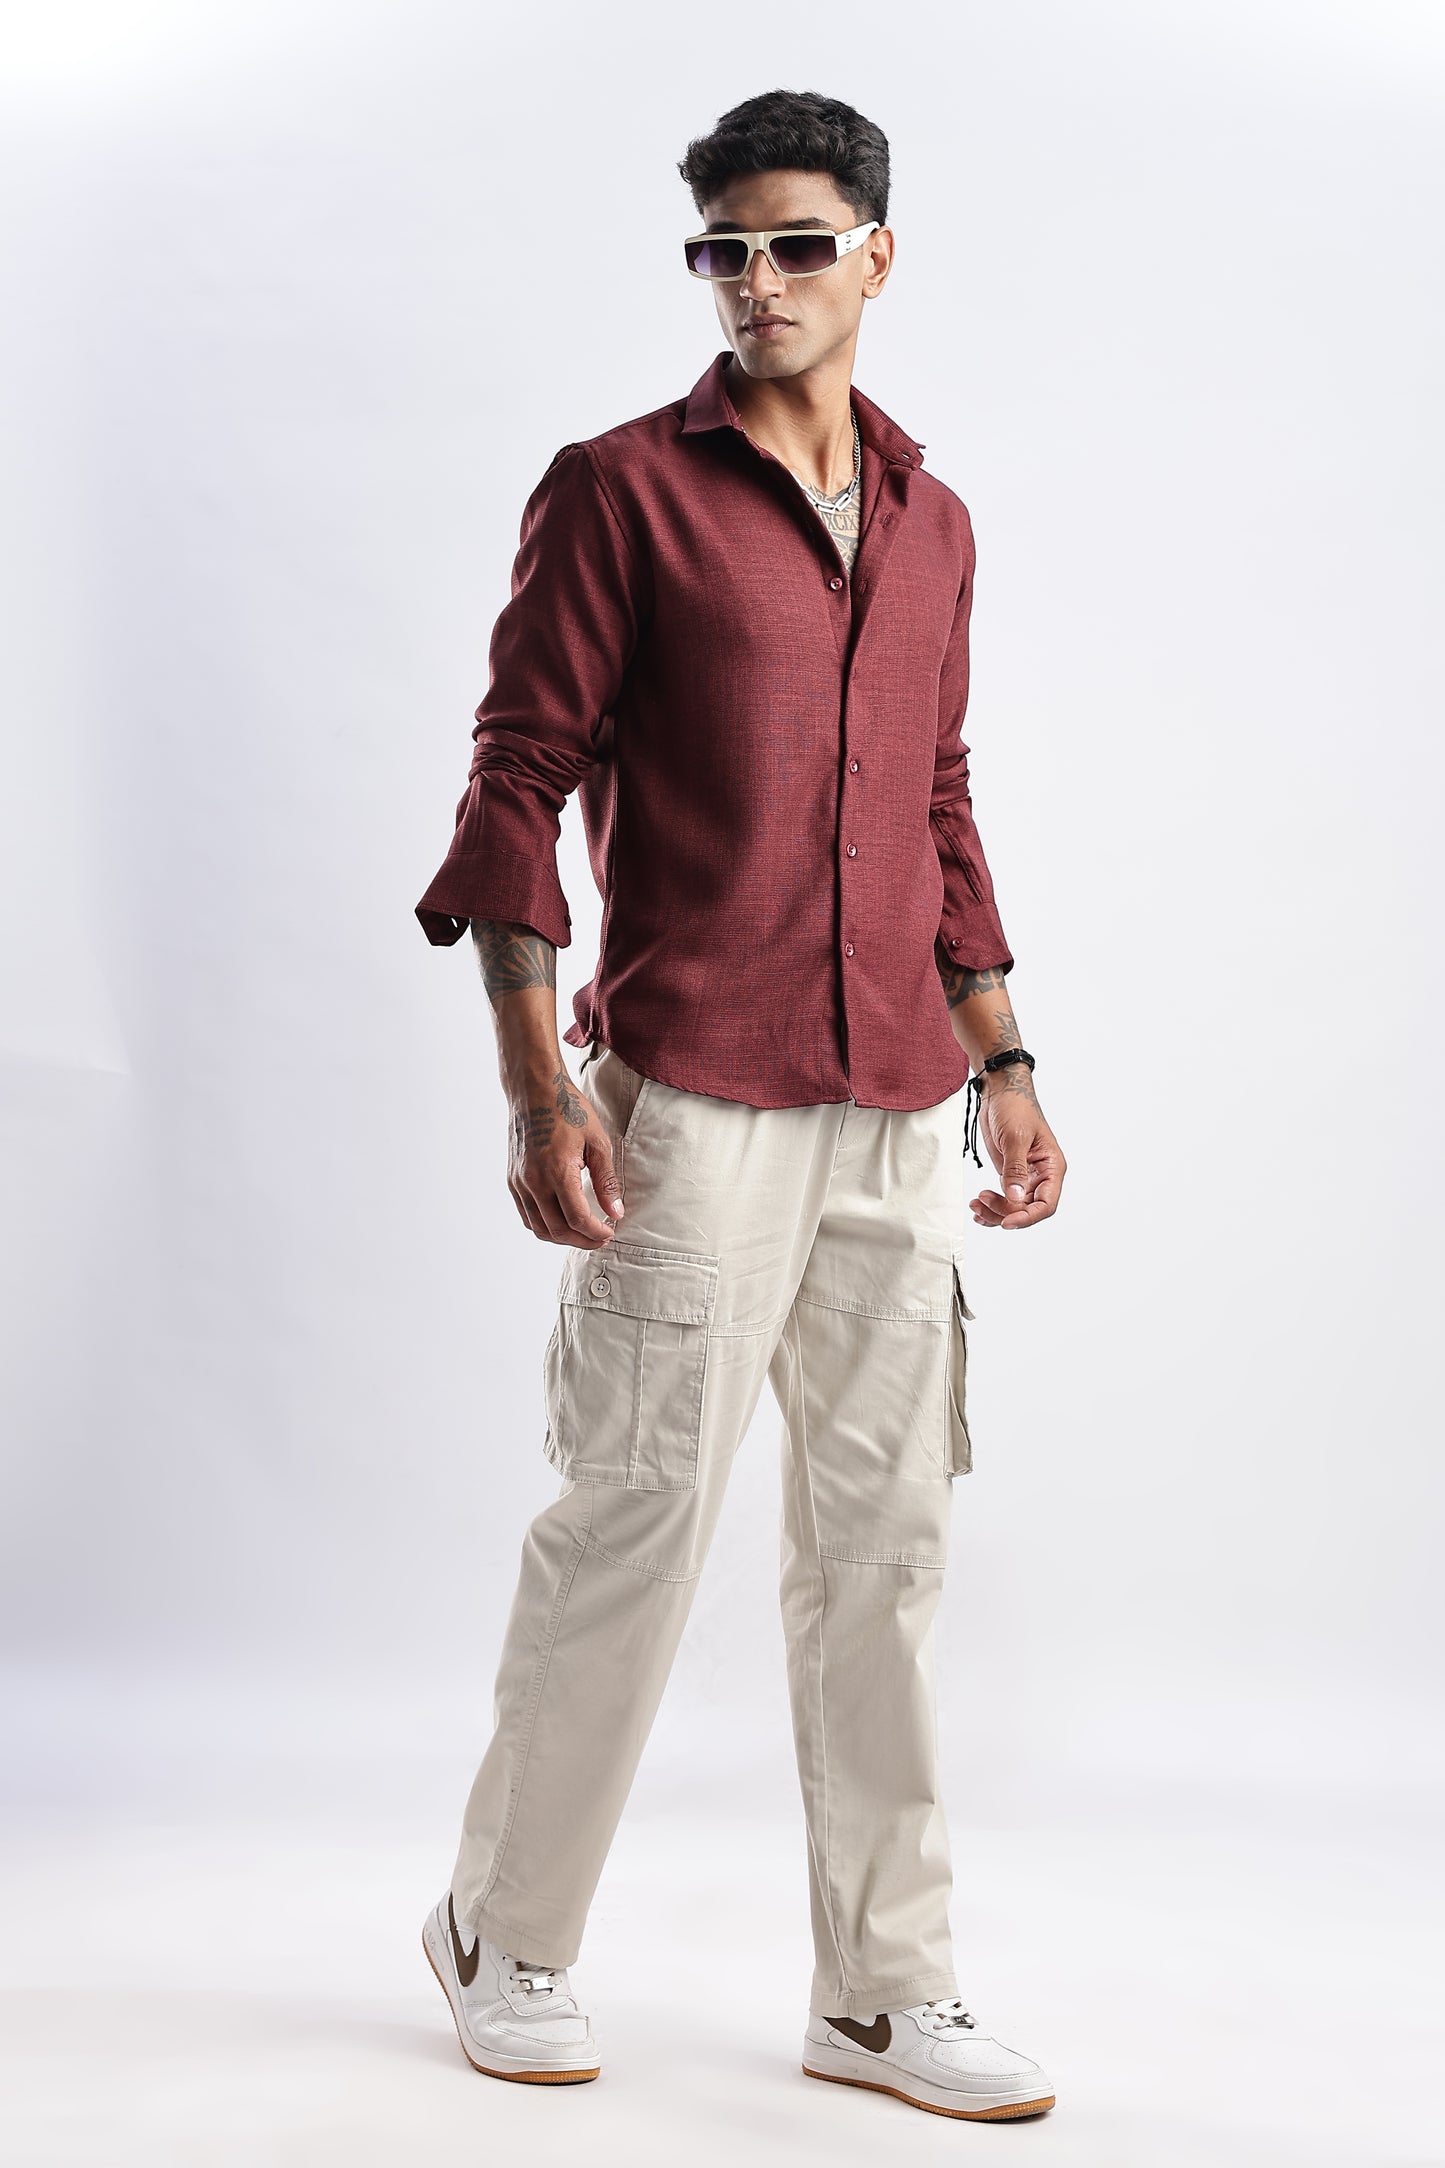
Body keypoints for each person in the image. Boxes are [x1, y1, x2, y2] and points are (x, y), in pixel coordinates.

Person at [412, 88, 1066, 2123]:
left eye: (794, 242)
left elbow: (937, 798)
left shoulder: (936, 522)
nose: (756, 281)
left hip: (896, 1103)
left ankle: (881, 1990)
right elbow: (518, 779)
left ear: (877, 253)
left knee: (886, 1552)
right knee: (634, 1518)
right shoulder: (619, 493)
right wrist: (538, 1084)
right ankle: (502, 1930)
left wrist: (1004, 1055)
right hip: (688, 1096)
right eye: (723, 248)